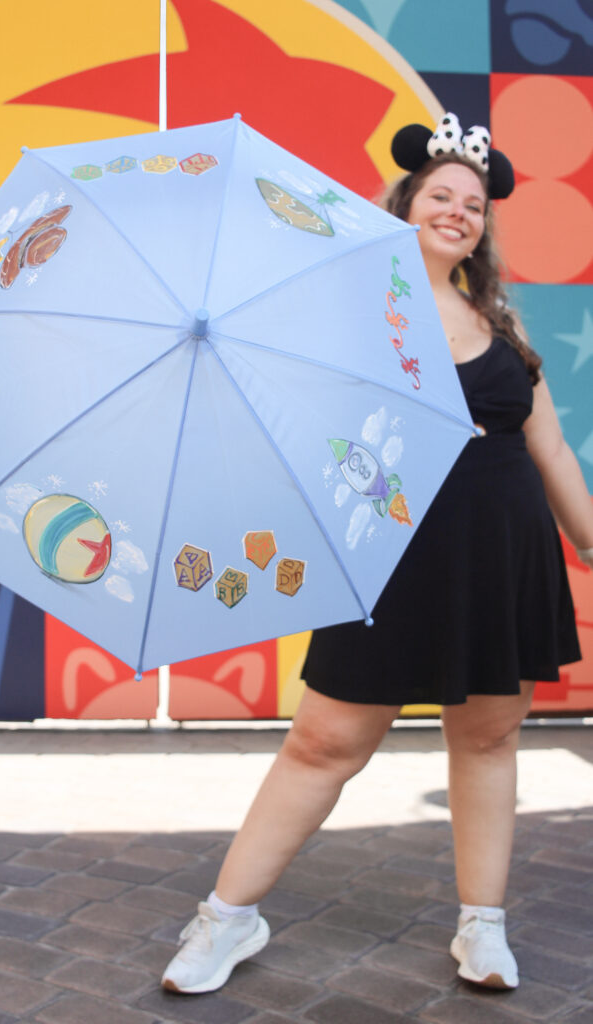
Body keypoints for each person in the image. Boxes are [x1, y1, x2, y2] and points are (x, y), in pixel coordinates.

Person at [161, 114, 593, 995]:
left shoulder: (499, 320)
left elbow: (547, 451)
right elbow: (304, 422)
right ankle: (226, 919)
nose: (457, 211)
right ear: (403, 205)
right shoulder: (356, 308)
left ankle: (482, 926)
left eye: (472, 204)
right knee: (324, 740)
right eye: (440, 195)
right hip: (393, 553)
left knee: (487, 736)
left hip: (500, 551)